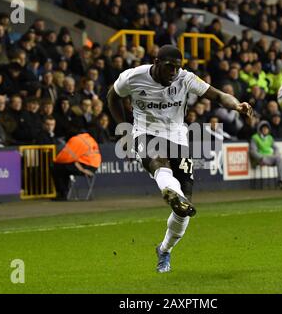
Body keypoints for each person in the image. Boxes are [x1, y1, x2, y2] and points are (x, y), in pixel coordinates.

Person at [107, 45, 252, 273]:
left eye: (177, 67)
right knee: (157, 161)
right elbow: (112, 96)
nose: (173, 72)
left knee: (184, 209)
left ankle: (164, 249)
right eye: (169, 67)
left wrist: (236, 105)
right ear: (156, 62)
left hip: (177, 136)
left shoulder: (186, 78)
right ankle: (170, 191)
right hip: (144, 132)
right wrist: (123, 128)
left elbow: (218, 95)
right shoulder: (133, 77)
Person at [53, 130, 102, 200]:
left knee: (57, 168)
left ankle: (62, 193)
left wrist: (56, 160)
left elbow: (66, 156)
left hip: (85, 167)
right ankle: (64, 193)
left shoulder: (76, 139)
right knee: (64, 168)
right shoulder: (90, 139)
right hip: (94, 167)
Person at [250, 121, 282, 190]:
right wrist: (260, 158)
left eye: (267, 129)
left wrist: (276, 154)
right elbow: (253, 151)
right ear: (260, 129)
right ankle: (281, 181)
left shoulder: (270, 138)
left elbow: (276, 148)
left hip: (272, 157)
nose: (265, 130)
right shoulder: (255, 137)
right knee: (279, 159)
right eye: (263, 128)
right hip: (263, 158)